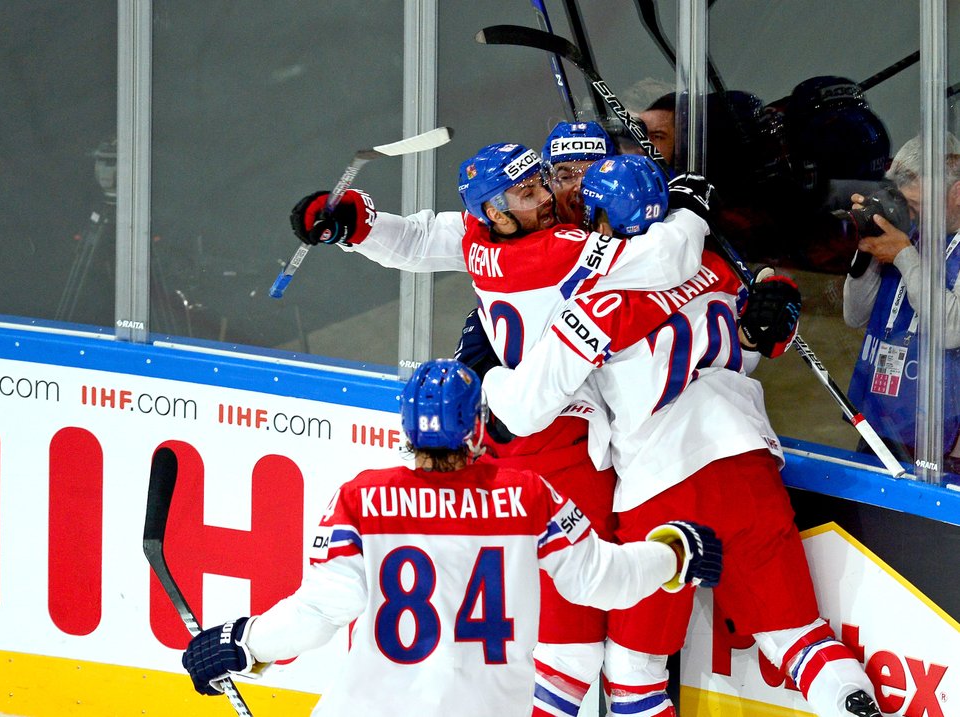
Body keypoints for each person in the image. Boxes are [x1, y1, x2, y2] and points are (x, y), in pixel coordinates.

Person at [482, 154, 885, 717]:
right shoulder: (714, 267)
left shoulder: (599, 299)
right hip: (749, 465)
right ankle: (853, 704)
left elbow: (526, 410)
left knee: (633, 671)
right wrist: (769, 311)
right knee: (798, 637)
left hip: (666, 488)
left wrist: (493, 382)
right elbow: (741, 350)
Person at [179, 358, 723, 717]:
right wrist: (673, 551)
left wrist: (243, 642)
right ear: (477, 426)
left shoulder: (362, 499)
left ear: (406, 427)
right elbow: (606, 581)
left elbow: (319, 614)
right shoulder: (528, 496)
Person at [843, 134, 960, 474]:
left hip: (943, 434)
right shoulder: (908, 232)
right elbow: (854, 315)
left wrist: (904, 255)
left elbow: (952, 329)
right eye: (903, 202)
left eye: (918, 205)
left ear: (956, 194)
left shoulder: (907, 246)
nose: (909, 214)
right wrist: (867, 244)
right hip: (883, 416)